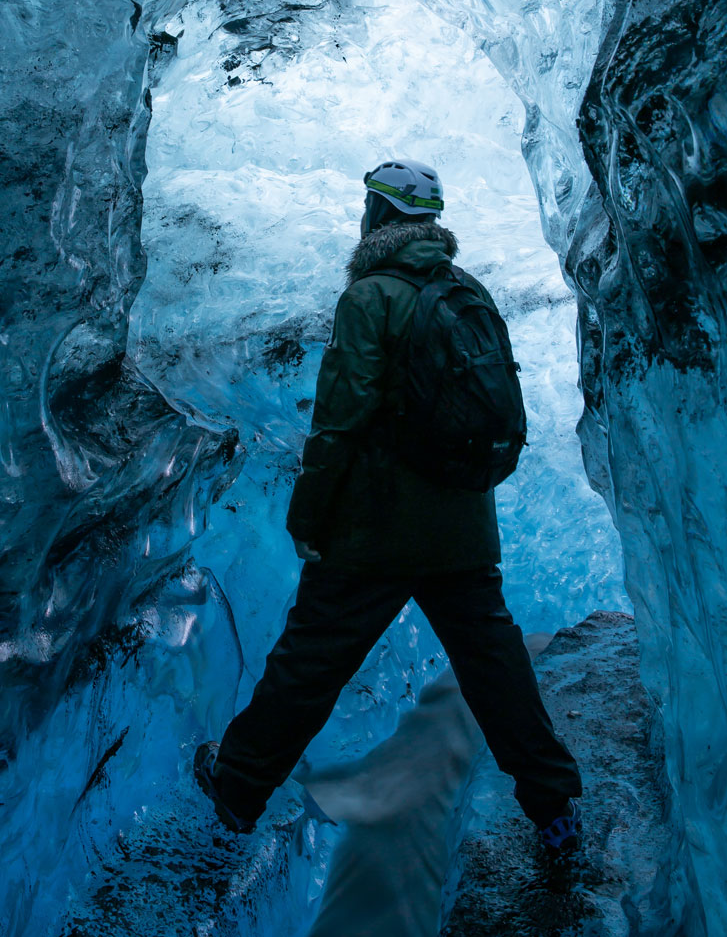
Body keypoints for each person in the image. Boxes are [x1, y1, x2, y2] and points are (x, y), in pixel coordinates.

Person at [195, 158, 583, 855]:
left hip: (373, 532)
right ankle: (553, 804)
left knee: (309, 664)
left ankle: (236, 790)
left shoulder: (370, 297)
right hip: (463, 527)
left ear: (380, 214)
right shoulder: (469, 291)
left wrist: (309, 519)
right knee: (494, 667)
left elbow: (338, 423)